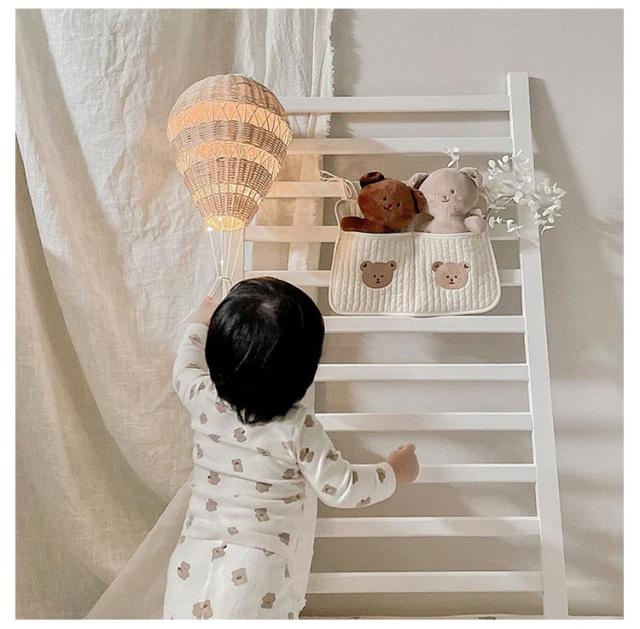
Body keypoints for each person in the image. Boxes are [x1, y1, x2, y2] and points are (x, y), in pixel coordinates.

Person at [163, 277, 419, 619]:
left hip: (193, 558)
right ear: (304, 372)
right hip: (258, 571)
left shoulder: (202, 396)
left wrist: (199, 323)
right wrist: (394, 472)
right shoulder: (297, 427)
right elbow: (343, 488)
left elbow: (184, 367)